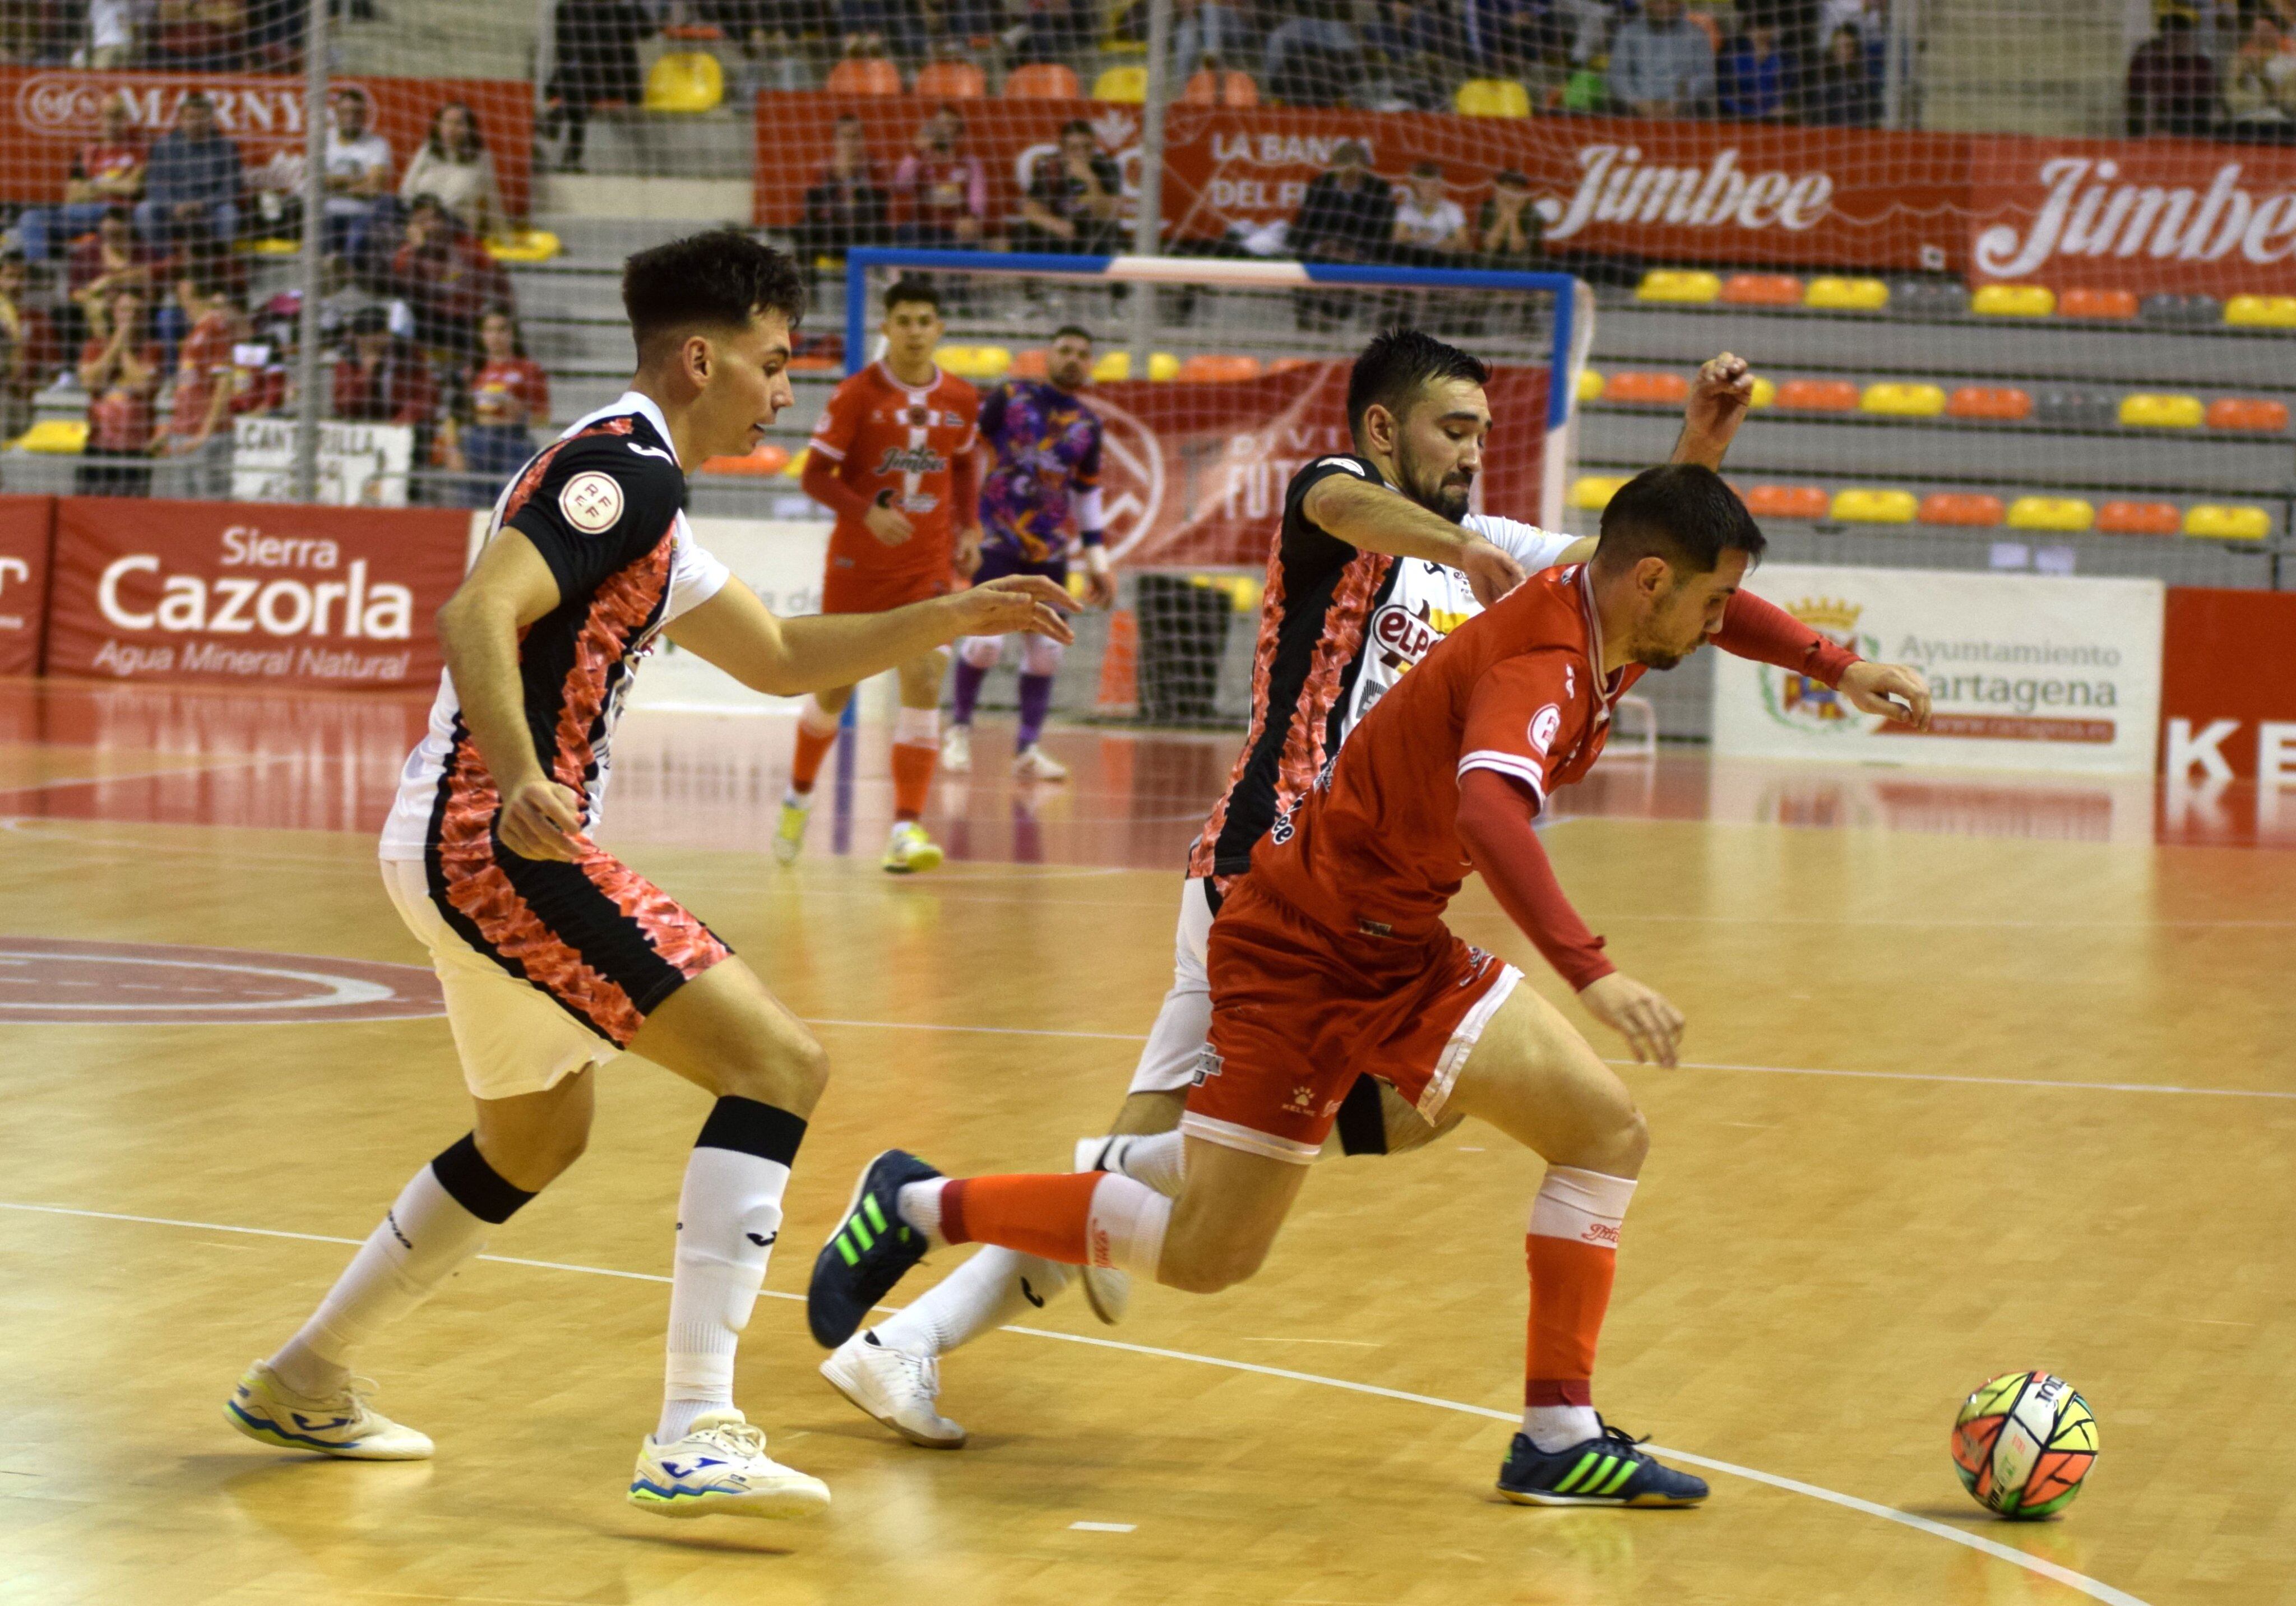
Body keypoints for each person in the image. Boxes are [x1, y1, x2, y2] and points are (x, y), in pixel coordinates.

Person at [808, 460, 1934, 1504]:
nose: (1716, 619)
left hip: (1399, 946)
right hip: (1299, 952)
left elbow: (1723, 609)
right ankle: (916, 1199)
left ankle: (1554, 1436)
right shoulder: (1544, 658)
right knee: (1209, 1254)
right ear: (1649, 582)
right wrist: (1590, 971)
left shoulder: (1614, 613)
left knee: (1601, 1131)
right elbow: (1489, 806)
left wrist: (1839, 666)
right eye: (1704, 601)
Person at [222, 228, 1073, 1520]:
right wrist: (518, 777)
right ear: (700, 357)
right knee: (779, 1066)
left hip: (460, 845)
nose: (782, 390)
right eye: (772, 363)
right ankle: (695, 1425)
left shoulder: (649, 489)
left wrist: (951, 612)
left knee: (537, 1134)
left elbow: (786, 653)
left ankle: (305, 1376)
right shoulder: (623, 471)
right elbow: (473, 615)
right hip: (493, 844)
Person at [776, 278, 982, 873]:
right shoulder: (856, 395)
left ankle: (905, 828)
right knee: (834, 691)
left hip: (927, 568)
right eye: (905, 321)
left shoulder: (963, 398)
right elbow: (814, 477)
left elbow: (966, 463)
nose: (915, 331)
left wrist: (968, 527)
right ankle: (798, 796)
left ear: (939, 329)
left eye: (926, 320)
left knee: (924, 674)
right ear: (886, 328)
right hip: (857, 568)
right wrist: (867, 512)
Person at [945, 325, 1111, 785]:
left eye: (1083, 352)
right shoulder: (1010, 397)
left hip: (1049, 552)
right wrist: (961, 522)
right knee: (984, 644)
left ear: (1090, 363)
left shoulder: (1088, 426)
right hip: (996, 542)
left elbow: (1087, 496)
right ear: (1048, 355)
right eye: (1065, 350)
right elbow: (965, 455)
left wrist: (1098, 561)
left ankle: (1028, 748)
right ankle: (958, 729)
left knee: (1047, 655)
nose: (1073, 358)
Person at [16, 94, 144, 266]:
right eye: (106, 115)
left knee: (110, 210)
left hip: (117, 212)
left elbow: (131, 187)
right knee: (30, 218)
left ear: (126, 118)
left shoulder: (138, 150)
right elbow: (72, 197)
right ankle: (40, 273)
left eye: (117, 115)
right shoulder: (87, 152)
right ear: (99, 118)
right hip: (82, 213)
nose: (111, 122)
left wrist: (92, 185)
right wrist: (112, 186)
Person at [443, 307, 550, 505]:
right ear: (482, 335)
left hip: (514, 442)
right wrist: (452, 450)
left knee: (511, 504)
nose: (496, 336)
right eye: (490, 330)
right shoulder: (471, 372)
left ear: (512, 333)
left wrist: (520, 412)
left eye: (502, 330)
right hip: (477, 442)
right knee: (471, 504)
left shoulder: (529, 370)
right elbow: (453, 416)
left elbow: (543, 417)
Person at [331, 305, 442, 485]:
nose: (369, 341)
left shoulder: (408, 356)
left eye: (376, 334)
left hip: (402, 427)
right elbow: (342, 405)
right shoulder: (348, 362)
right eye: (364, 337)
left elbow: (425, 395)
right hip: (364, 428)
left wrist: (400, 423)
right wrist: (365, 374)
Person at [392, 195, 512, 362]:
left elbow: (496, 274)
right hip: (430, 319)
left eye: (431, 220)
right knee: (399, 309)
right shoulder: (408, 253)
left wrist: (505, 308)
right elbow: (407, 288)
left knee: (496, 322)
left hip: (467, 319)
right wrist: (420, 251)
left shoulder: (467, 245)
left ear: (444, 221)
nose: (427, 227)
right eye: (419, 222)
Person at [155, 268, 237, 499]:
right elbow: (189, 387)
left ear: (190, 294)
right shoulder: (195, 333)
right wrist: (171, 428)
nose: (180, 304)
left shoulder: (215, 328)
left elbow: (224, 381)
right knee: (185, 512)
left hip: (205, 436)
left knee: (209, 510)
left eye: (182, 297)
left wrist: (205, 433)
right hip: (184, 434)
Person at [135, 92, 242, 252]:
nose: (197, 123)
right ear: (181, 120)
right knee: (144, 211)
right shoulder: (164, 146)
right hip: (172, 212)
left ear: (211, 120)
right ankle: (165, 262)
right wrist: (173, 207)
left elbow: (230, 187)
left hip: (209, 212)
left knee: (229, 214)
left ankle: (220, 262)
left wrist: (203, 205)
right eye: (191, 118)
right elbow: (154, 185)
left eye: (202, 118)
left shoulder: (226, 147)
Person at [399, 101, 508, 243]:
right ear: (438, 126)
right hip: (419, 219)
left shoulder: (481, 158)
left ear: (470, 128)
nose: (452, 129)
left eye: (459, 124)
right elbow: (406, 189)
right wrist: (419, 215)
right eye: (447, 122)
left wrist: (505, 239)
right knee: (386, 203)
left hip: (455, 224)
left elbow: (494, 201)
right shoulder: (427, 150)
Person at [798, 115, 889, 277]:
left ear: (863, 140)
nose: (850, 143)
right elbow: (811, 206)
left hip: (862, 226)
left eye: (855, 137)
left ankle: (878, 281)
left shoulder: (873, 167)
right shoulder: (822, 168)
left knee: (883, 230)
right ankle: (808, 288)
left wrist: (859, 180)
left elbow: (881, 207)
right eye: (844, 137)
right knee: (803, 227)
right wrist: (839, 176)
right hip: (832, 229)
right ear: (835, 141)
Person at [1016, 121, 1124, 256]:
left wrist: (1090, 180)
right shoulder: (1050, 167)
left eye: (1087, 147)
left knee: (1108, 233)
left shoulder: (1107, 167)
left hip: (1093, 229)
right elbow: (1030, 209)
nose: (1081, 153)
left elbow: (1108, 213)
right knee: (1025, 232)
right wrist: (1055, 224)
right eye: (1074, 148)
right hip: (1060, 228)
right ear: (1063, 150)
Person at [890, 106, 987, 249]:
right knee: (906, 231)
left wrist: (972, 218)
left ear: (959, 133)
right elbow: (901, 186)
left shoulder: (970, 163)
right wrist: (916, 152)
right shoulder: (918, 159)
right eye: (939, 124)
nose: (943, 129)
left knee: (969, 236)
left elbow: (978, 200)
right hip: (924, 227)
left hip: (955, 228)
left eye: (949, 124)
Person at [322, 87, 397, 264]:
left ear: (364, 116)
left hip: (363, 212)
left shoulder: (377, 144)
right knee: (316, 235)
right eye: (345, 112)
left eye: (356, 113)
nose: (351, 118)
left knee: (356, 242)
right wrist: (355, 180)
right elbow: (314, 182)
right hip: (326, 212)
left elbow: (373, 189)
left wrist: (334, 185)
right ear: (336, 115)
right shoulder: (323, 141)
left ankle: (349, 279)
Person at [1607, 0, 1715, 117]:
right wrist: (1637, 102)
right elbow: (1617, 75)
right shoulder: (1629, 33)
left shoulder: (1696, 34)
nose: (1665, 7)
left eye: (1671, 2)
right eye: (1658, 2)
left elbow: (1706, 76)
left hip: (1684, 111)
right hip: (1636, 111)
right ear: (1646, 3)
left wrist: (1677, 102)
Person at [2126, 4, 2219, 137]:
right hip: (2156, 120)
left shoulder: (2201, 64)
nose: (2183, 42)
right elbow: (2137, 99)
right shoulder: (2149, 60)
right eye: (2175, 38)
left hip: (2192, 122)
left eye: (2186, 37)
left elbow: (2211, 101)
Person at [0, 251, 58, 445]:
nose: (15, 284)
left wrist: (29, 387)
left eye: (21, 278)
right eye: (9, 277)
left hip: (20, 401)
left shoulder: (38, 320)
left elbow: (53, 372)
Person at [1803, 22, 1878, 126]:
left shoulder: (1864, 81)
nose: (1845, 52)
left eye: (1849, 46)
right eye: (1840, 47)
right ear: (1833, 50)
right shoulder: (1822, 77)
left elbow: (1872, 114)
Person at [1392, 160, 1469, 260]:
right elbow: (1397, 236)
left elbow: (1464, 241)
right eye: (1423, 186)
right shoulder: (1407, 208)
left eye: (1432, 186)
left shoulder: (1453, 209)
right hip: (1414, 257)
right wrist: (1416, 237)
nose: (1428, 190)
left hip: (1441, 258)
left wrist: (1451, 244)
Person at [1718, 16, 1792, 120]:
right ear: (1747, 31)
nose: (1763, 34)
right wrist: (1758, 113)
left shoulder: (1783, 58)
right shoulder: (1731, 54)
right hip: (1737, 116)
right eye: (1759, 29)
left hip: (1772, 116)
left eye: (1768, 29)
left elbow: (1782, 91)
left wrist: (1773, 109)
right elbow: (1725, 96)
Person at [1476, 168, 1543, 265]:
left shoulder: (1532, 213)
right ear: (1498, 190)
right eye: (1507, 188)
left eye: (1516, 190)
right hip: (1495, 256)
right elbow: (1490, 244)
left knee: (1521, 259)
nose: (1511, 194)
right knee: (1486, 255)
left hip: (1521, 258)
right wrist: (1504, 216)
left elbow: (1517, 247)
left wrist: (1514, 214)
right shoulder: (1488, 208)